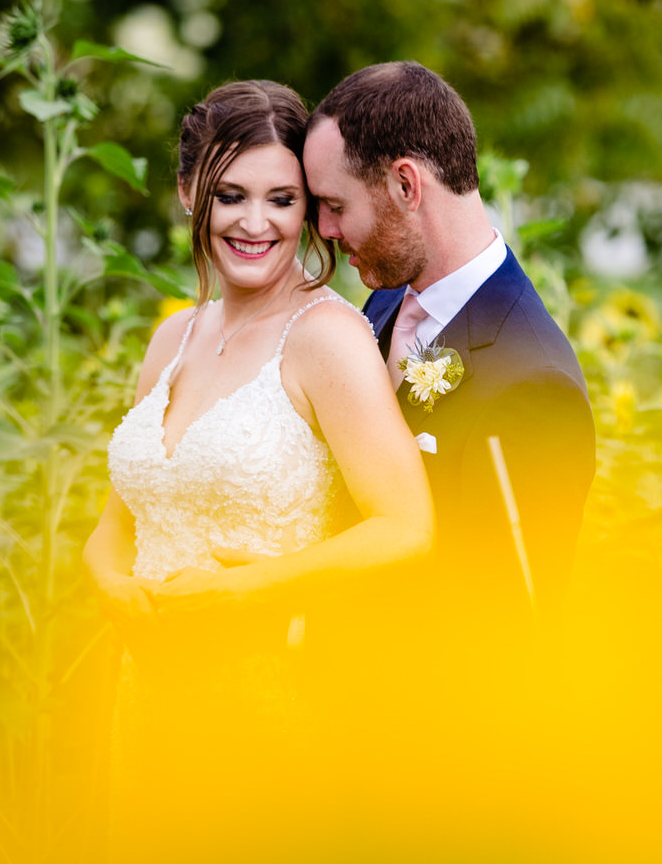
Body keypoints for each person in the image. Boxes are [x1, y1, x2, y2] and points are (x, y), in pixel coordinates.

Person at [84, 78, 432, 731]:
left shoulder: (327, 338)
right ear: (190, 193)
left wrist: (244, 590)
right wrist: (105, 579)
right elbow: (119, 522)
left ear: (308, 209)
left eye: (282, 199)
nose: (255, 222)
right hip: (145, 699)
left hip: (266, 701)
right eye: (230, 195)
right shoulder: (170, 338)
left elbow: (407, 528)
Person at [304, 62, 595, 629]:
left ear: (406, 185)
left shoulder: (533, 381)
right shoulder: (385, 302)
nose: (326, 231)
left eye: (336, 206)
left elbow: (511, 620)